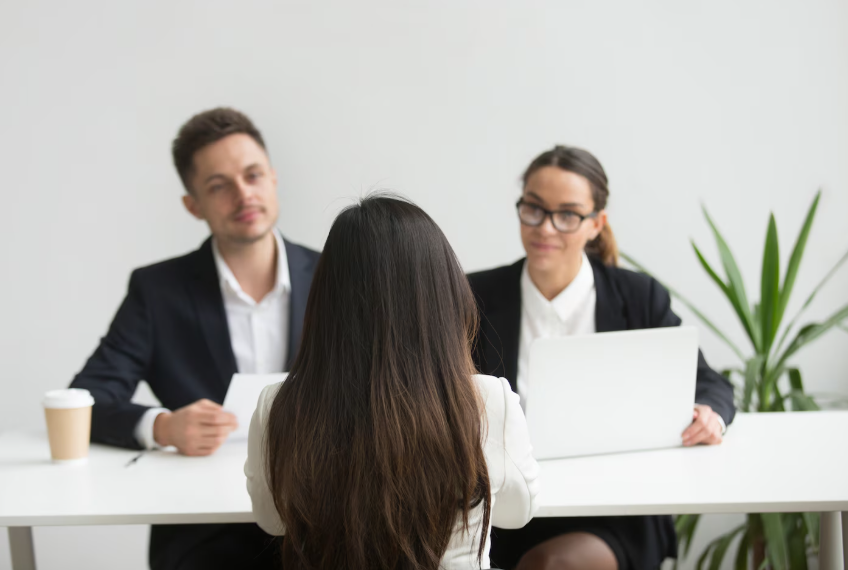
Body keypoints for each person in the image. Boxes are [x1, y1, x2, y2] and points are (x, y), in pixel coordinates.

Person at [70, 107, 319, 570]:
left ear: (273, 178)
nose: (243, 194)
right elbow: (85, 399)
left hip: (323, 517)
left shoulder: (335, 275)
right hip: (203, 530)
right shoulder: (157, 291)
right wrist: (162, 427)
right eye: (218, 186)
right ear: (193, 205)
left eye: (253, 175)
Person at [467, 145, 736, 570]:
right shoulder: (476, 295)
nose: (546, 228)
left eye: (568, 215)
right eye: (534, 209)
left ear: (596, 224)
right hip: (508, 507)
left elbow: (709, 383)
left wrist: (710, 415)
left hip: (617, 507)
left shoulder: (637, 297)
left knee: (552, 565)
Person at [244, 194, 541, 570]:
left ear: (326, 300)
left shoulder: (278, 405)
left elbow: (272, 519)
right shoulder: (488, 400)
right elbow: (519, 512)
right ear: (443, 295)